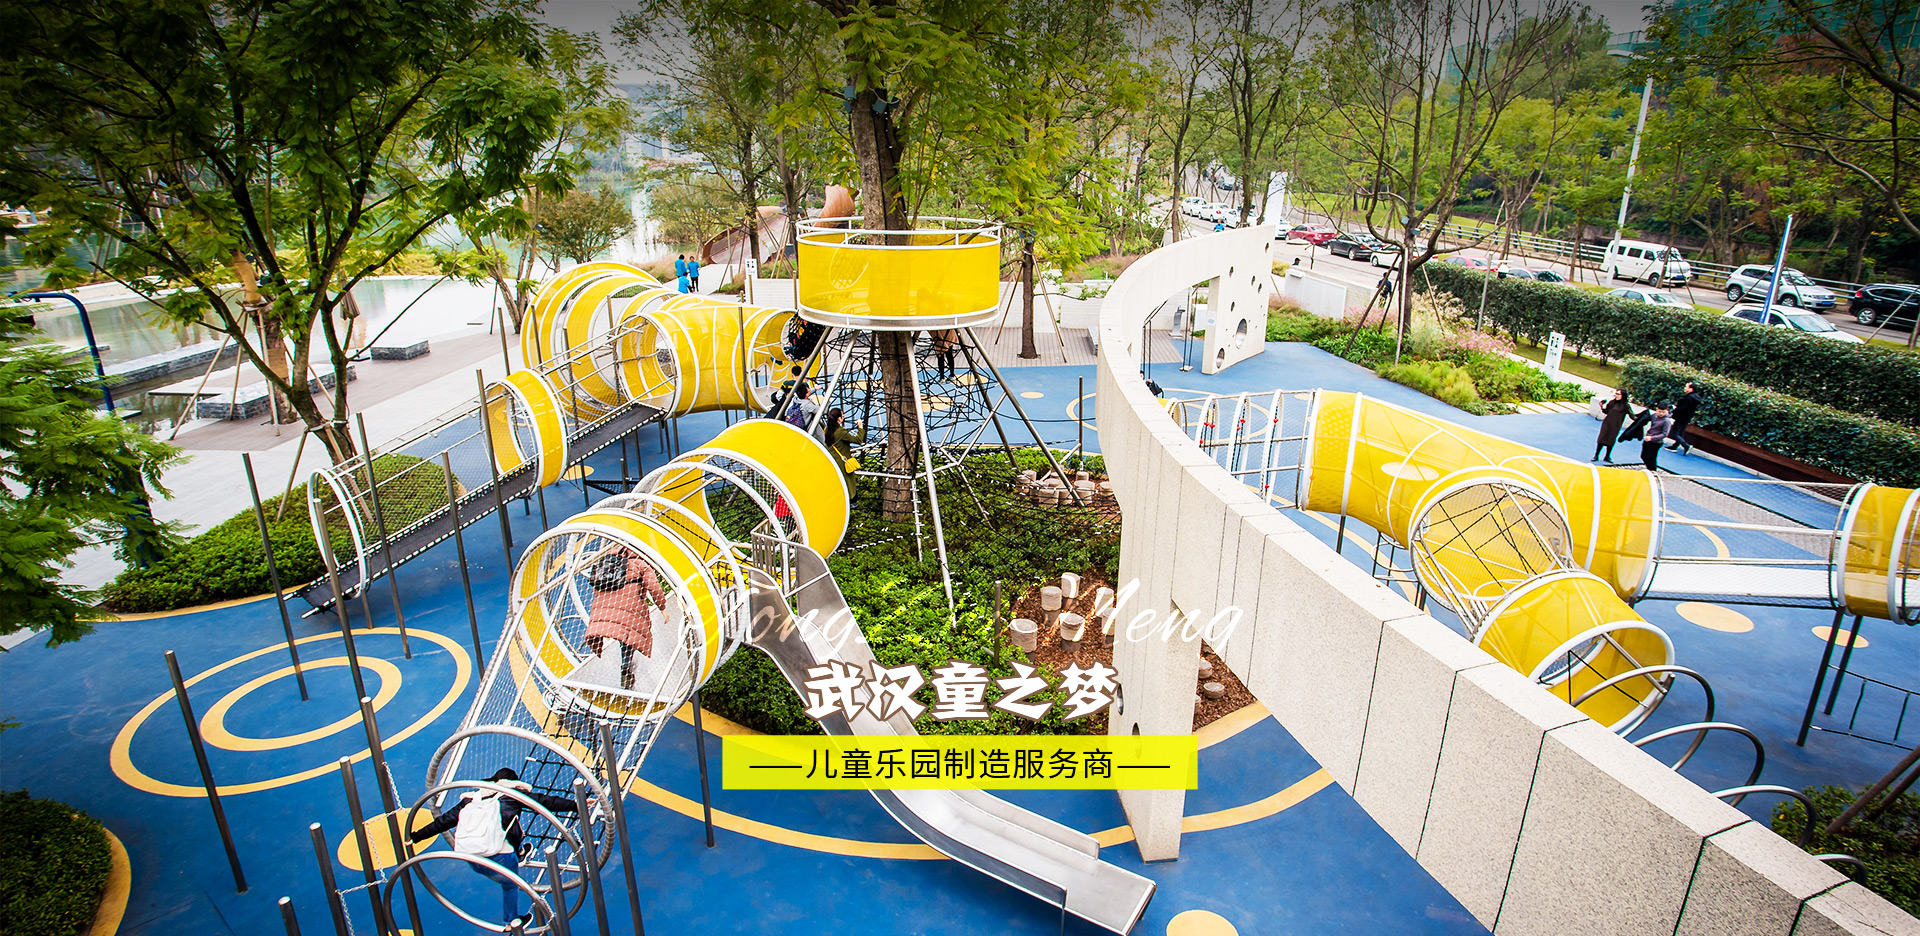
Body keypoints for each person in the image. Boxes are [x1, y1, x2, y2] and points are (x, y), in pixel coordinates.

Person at [410, 768, 583, 928]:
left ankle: (520, 852)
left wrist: (417, 836)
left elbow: (443, 822)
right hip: (500, 858)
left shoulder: (471, 799)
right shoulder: (512, 795)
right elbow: (545, 802)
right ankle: (511, 921)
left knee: (504, 826)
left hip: (473, 858)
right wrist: (576, 805)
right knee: (510, 885)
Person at [583, 548, 666, 690]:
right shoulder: (640, 564)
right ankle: (626, 668)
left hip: (603, 610)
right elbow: (654, 587)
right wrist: (663, 608)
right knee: (628, 638)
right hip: (627, 610)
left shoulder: (607, 561)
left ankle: (624, 666)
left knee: (621, 634)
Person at [816, 407, 867, 471]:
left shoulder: (826, 429)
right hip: (842, 464)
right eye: (842, 416)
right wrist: (860, 427)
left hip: (832, 461)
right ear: (839, 419)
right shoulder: (840, 432)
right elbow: (858, 440)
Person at [1594, 389, 1629, 462]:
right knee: (1601, 438)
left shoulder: (1625, 406)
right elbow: (1606, 411)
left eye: (1618, 394)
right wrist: (1602, 406)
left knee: (1611, 440)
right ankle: (1596, 455)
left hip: (1616, 426)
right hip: (1607, 423)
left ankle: (1607, 456)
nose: (1616, 395)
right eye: (1616, 393)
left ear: (1622, 395)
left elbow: (1632, 415)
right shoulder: (1612, 402)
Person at [1668, 381, 1702, 455]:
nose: (1685, 388)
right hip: (1687, 418)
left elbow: (1682, 408)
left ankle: (1686, 445)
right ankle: (1674, 446)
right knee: (1680, 433)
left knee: (1675, 433)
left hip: (1681, 417)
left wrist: (1675, 409)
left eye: (1686, 387)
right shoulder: (1695, 398)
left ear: (1691, 389)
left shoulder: (1688, 398)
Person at [1641, 404, 1673, 472]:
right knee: (1644, 456)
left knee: (1651, 458)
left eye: (1663, 412)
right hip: (1648, 439)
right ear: (1657, 410)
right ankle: (1649, 469)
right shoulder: (1654, 416)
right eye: (1659, 411)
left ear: (1666, 411)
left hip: (1656, 442)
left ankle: (1652, 471)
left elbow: (1665, 434)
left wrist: (1652, 438)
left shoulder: (1666, 421)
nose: (1661, 413)